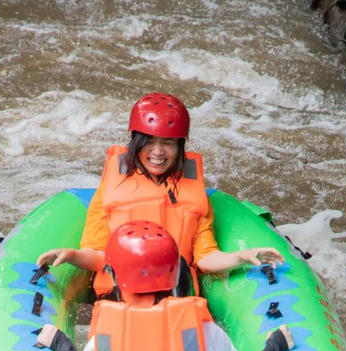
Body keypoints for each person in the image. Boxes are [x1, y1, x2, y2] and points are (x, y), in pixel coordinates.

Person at [36, 92, 284, 297]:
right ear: (135, 141)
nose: (157, 152)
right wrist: (71, 255)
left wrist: (241, 256)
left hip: (177, 292)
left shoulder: (194, 195)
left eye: (168, 143)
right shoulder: (109, 192)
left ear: (180, 146)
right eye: (149, 141)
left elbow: (206, 258)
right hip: (121, 295)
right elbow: (100, 255)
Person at [34, 221, 294, 351]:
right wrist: (274, 346)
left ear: (114, 277)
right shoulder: (207, 334)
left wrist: (60, 343)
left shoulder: (103, 338)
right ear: (174, 274)